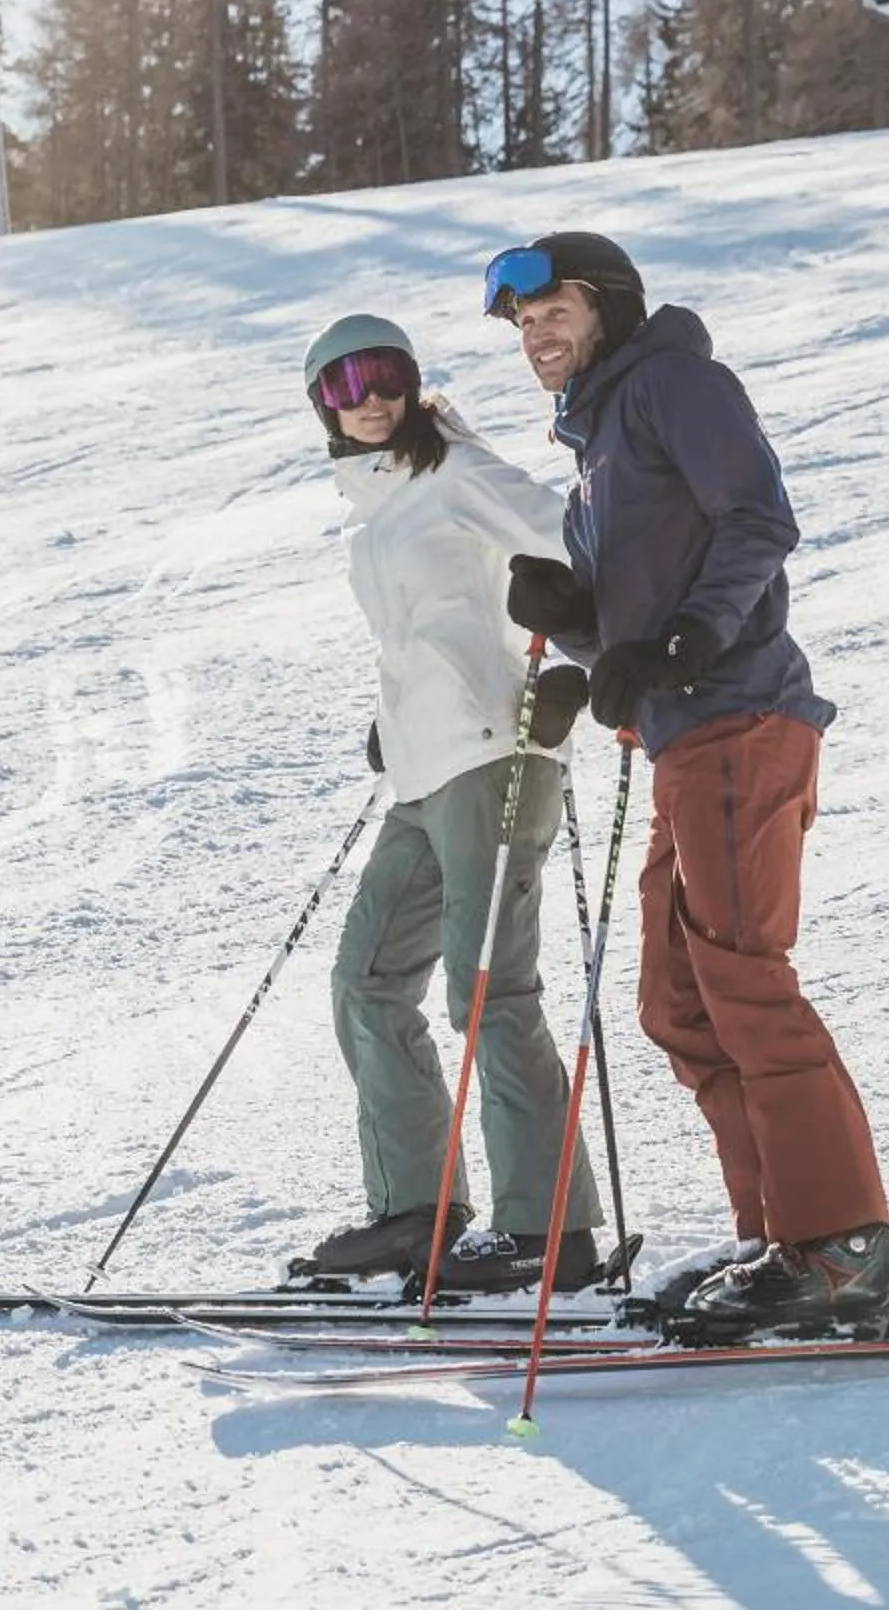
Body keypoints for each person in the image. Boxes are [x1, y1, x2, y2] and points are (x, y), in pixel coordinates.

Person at [486, 233, 889, 1337]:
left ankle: (844, 1248)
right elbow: (632, 633)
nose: (538, 337)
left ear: (610, 306)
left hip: (740, 716)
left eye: (555, 312)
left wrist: (678, 642)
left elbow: (759, 519)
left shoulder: (675, 383)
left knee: (742, 977)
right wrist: (577, 624)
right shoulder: (597, 452)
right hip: (683, 739)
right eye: (525, 326)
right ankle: (778, 1239)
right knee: (678, 998)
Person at [295, 313, 609, 1294]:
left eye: (386, 374)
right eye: (348, 384)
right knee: (366, 981)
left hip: (496, 753)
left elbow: (574, 540)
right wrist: (396, 717)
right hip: (422, 774)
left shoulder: (456, 471)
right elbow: (427, 628)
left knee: (488, 992)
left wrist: (581, 660)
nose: (372, 396)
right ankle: (416, 1211)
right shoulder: (371, 510)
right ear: (326, 407)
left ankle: (546, 1231)